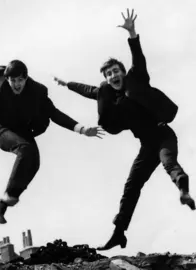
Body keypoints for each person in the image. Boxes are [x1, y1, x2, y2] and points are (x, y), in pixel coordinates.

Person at [53, 9, 195, 251]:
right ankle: (119, 233)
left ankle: (183, 189)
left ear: (122, 72)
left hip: (163, 134)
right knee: (132, 186)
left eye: (116, 71)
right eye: (109, 74)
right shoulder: (108, 95)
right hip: (146, 145)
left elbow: (138, 58)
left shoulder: (136, 79)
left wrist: (132, 34)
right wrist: (68, 84)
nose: (113, 76)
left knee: (168, 161)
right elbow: (89, 90)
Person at [0, 41, 104, 224]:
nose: (16, 85)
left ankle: (2, 204)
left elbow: (54, 113)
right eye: (12, 81)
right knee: (26, 151)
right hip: (4, 131)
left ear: (26, 78)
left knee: (34, 162)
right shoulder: (0, 81)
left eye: (20, 80)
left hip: (23, 132)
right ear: (7, 79)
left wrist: (82, 129)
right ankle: (8, 197)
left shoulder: (37, 92)